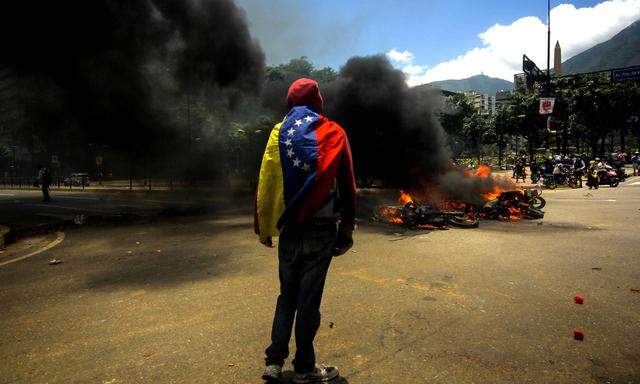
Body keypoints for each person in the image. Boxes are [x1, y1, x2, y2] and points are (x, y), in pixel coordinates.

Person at [255, 78, 357, 383]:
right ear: (318, 101)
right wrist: (347, 230)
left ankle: (273, 362)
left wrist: (264, 224)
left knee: (287, 296)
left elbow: (267, 179)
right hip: (321, 231)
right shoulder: (334, 132)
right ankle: (303, 367)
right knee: (309, 301)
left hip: (289, 231)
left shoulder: (277, 132)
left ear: (289, 101)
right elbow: (349, 187)